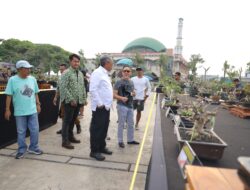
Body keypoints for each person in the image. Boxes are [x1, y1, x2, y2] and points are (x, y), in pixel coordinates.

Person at [4, 60, 43, 159]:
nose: (29, 70)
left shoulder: (32, 79)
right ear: (20, 69)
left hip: (32, 110)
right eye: (26, 68)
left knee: (35, 130)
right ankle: (21, 149)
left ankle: (33, 147)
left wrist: (38, 104)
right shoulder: (12, 80)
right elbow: (9, 95)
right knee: (21, 132)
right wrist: (7, 109)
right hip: (20, 111)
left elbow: (35, 93)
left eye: (29, 68)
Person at [60, 54, 87, 149]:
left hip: (78, 101)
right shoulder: (66, 73)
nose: (76, 63)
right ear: (70, 61)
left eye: (78, 61)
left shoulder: (80, 73)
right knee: (66, 121)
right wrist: (71, 99)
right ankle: (65, 141)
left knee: (73, 120)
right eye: (75, 61)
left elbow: (82, 87)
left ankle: (71, 137)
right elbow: (63, 87)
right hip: (69, 102)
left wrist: (84, 98)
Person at [89, 56, 113, 161]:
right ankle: (94, 151)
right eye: (111, 63)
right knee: (97, 129)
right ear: (106, 63)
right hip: (100, 107)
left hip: (106, 107)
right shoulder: (97, 73)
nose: (112, 66)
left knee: (104, 128)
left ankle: (101, 147)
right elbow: (92, 89)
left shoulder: (105, 74)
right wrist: (99, 103)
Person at [114, 66, 140, 148]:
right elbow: (114, 94)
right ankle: (120, 141)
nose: (126, 72)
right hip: (121, 105)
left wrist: (134, 93)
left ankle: (130, 140)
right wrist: (121, 98)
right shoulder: (118, 82)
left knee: (131, 124)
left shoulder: (131, 82)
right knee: (121, 124)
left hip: (130, 106)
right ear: (122, 72)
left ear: (130, 73)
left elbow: (132, 92)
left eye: (128, 71)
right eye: (125, 71)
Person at [53, 64, 82, 134]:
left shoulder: (71, 76)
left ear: (66, 69)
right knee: (63, 115)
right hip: (63, 100)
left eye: (62, 69)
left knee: (73, 116)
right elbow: (58, 89)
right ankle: (64, 129)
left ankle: (78, 125)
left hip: (70, 100)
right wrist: (55, 97)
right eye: (60, 69)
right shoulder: (60, 78)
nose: (61, 71)